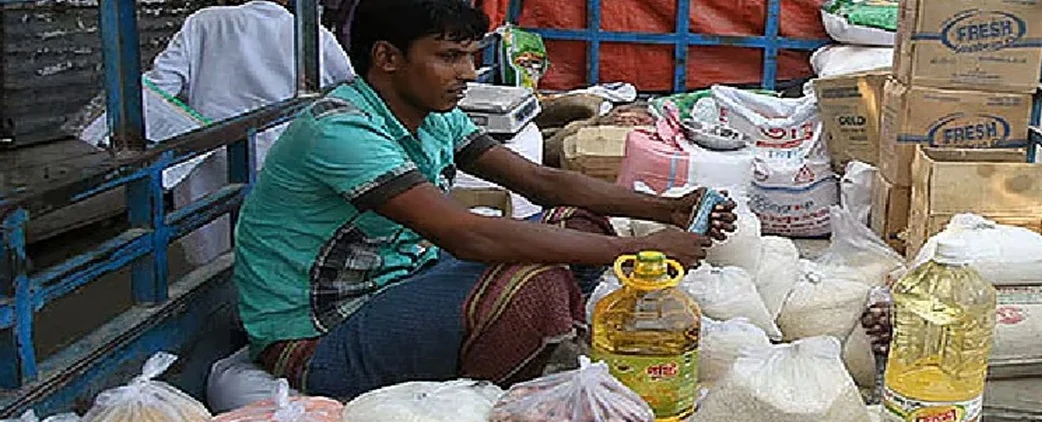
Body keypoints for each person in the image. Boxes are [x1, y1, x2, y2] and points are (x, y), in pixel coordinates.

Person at [234, 0, 735, 401]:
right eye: (449, 57)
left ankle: (519, 352)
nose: (470, 73)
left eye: (472, 56)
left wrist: (664, 209)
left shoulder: (432, 115)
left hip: (401, 289)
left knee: (575, 223)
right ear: (387, 58)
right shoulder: (340, 130)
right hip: (318, 342)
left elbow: (542, 183)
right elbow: (465, 234)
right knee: (532, 286)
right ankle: (494, 398)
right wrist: (639, 252)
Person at [146, 0, 355, 265]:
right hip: (282, 163)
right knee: (272, 259)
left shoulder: (205, 23)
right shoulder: (311, 34)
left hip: (213, 163)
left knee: (213, 259)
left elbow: (158, 88)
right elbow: (347, 95)